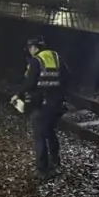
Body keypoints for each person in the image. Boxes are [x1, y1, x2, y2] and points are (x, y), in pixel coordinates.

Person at [12, 36, 67, 181]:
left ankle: (42, 170)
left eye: (29, 49)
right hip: (56, 104)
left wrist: (17, 94)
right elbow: (67, 76)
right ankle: (55, 161)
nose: (29, 52)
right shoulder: (56, 56)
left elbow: (30, 82)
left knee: (39, 136)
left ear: (33, 47)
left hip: (41, 104)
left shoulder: (36, 60)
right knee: (50, 132)